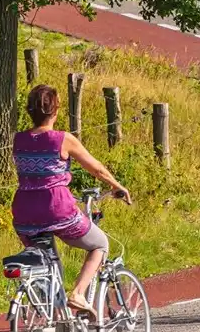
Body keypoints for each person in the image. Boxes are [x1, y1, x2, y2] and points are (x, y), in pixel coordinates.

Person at [12, 84, 132, 318]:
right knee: (100, 244)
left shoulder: (19, 139)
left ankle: (58, 330)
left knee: (47, 268)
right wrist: (117, 186)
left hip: (24, 213)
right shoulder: (62, 139)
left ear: (29, 112)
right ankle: (77, 293)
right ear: (55, 111)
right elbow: (96, 168)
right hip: (57, 209)